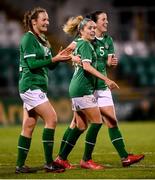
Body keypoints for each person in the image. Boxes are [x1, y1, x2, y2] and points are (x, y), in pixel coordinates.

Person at [56, 11, 144, 169]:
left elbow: (107, 62)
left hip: (97, 87)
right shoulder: (84, 41)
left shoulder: (107, 40)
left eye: (107, 19)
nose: (107, 22)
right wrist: (73, 58)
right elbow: (66, 55)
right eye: (103, 19)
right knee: (79, 124)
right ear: (94, 24)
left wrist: (112, 63)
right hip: (87, 86)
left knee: (106, 122)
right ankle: (66, 158)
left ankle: (123, 157)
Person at [15, 7, 76, 174]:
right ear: (34, 22)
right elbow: (31, 65)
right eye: (44, 19)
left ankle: (20, 166)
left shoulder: (43, 40)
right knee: (52, 118)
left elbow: (50, 65)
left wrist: (59, 58)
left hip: (37, 86)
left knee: (29, 125)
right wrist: (53, 58)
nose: (47, 22)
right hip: (30, 86)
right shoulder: (28, 39)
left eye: (48, 19)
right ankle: (49, 163)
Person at [54, 15, 119, 170]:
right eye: (89, 28)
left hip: (78, 88)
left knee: (81, 126)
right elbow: (87, 67)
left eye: (93, 28)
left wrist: (72, 57)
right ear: (81, 31)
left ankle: (60, 159)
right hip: (82, 89)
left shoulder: (85, 44)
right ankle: (86, 160)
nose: (92, 30)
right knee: (97, 122)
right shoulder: (85, 44)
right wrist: (106, 79)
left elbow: (76, 58)